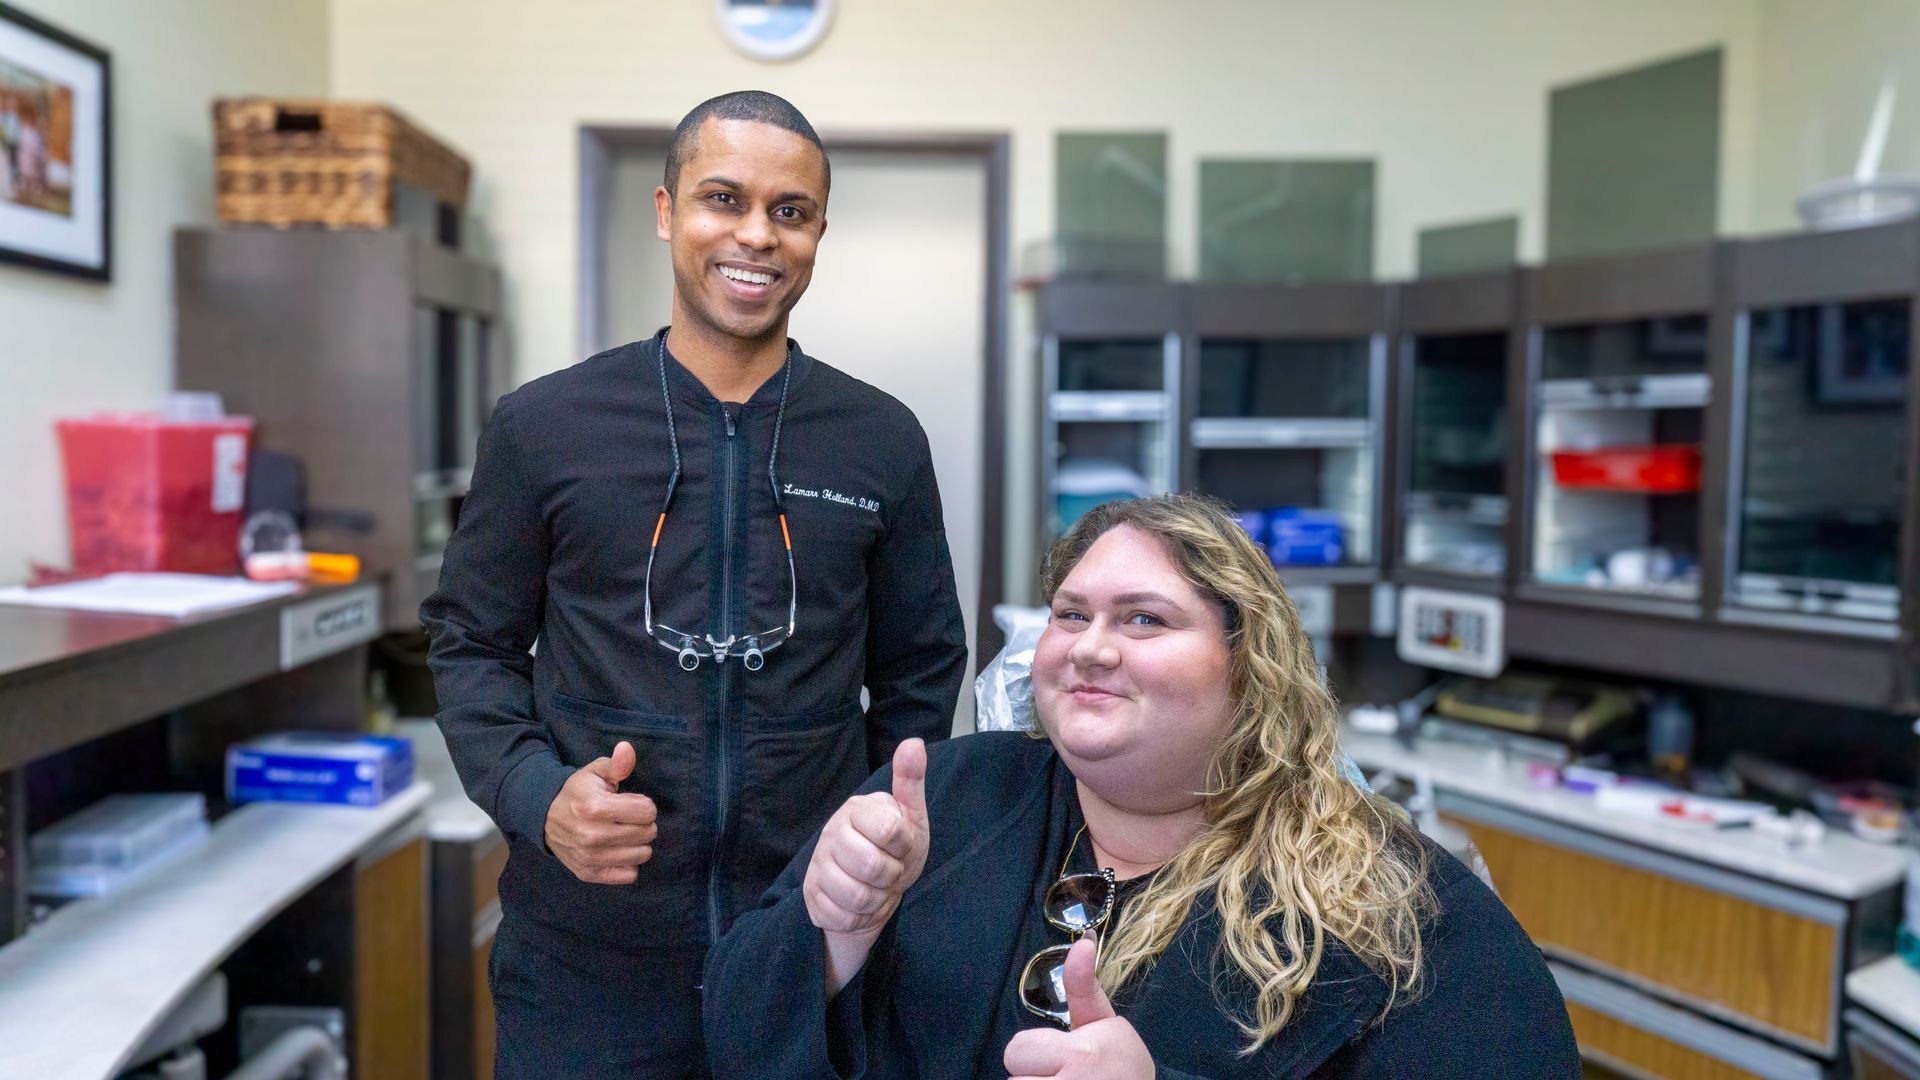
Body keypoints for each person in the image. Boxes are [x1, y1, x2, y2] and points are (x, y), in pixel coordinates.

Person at [421, 90, 968, 1079]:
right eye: (725, 199)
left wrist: (878, 831)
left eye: (790, 212)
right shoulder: (545, 428)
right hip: (587, 963)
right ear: (669, 211)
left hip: (813, 948)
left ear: (818, 233)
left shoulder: (882, 441)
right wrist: (536, 794)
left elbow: (922, 668)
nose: (757, 235)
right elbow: (471, 641)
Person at [707, 494, 1580, 1078]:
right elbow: (736, 1036)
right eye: (1071, 614)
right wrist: (834, 940)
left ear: (1251, 665)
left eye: (1145, 620)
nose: (1089, 646)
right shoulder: (951, 798)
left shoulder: (1393, 907)